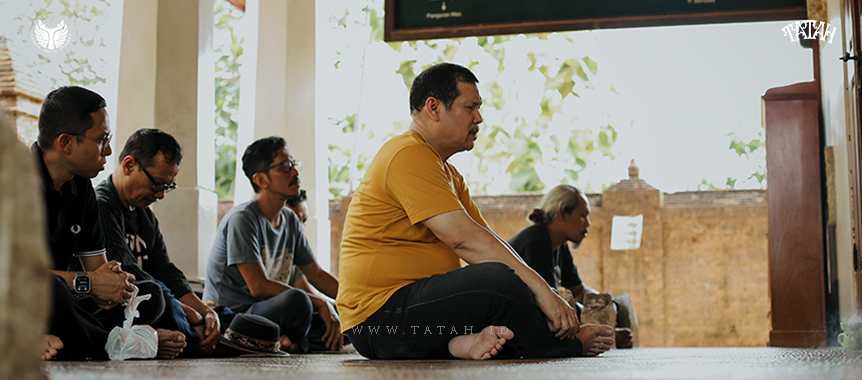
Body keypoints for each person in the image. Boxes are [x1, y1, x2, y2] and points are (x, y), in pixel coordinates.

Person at [336, 62, 614, 360]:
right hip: (377, 325)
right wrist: (543, 292)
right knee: (497, 282)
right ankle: (563, 344)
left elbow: (490, 244)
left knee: (506, 279)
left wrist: (545, 292)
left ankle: (458, 344)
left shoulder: (448, 174)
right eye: (470, 107)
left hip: (414, 321)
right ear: (434, 108)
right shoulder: (406, 154)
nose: (479, 118)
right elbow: (464, 241)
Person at [33, 86, 169, 360]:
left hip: (59, 307)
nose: (108, 150)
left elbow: (98, 271)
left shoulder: (82, 187)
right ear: (66, 143)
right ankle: (114, 343)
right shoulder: (16, 182)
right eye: (102, 139)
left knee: (148, 293)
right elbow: (18, 278)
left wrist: (115, 283)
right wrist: (88, 284)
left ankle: (68, 340)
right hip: (16, 300)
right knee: (51, 287)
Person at [95, 128, 227, 358]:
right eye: (157, 184)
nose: (161, 195)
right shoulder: (101, 205)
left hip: (160, 301)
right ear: (129, 165)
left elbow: (165, 269)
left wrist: (203, 310)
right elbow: (127, 269)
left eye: (167, 187)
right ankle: (199, 340)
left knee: (225, 317)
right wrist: (187, 312)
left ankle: (199, 337)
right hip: (124, 303)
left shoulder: (145, 215)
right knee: (155, 295)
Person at [204, 137, 343, 352]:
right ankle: (293, 343)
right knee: (298, 301)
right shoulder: (242, 219)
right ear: (261, 180)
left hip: (269, 314)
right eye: (285, 167)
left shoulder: (290, 220)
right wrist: (320, 303)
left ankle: (290, 343)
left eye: (293, 165)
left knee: (346, 318)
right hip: (234, 318)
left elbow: (316, 274)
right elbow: (259, 286)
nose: (295, 173)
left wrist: (355, 302)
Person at [507, 184, 633, 348]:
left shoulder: (560, 245)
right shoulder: (536, 241)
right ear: (561, 213)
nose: (588, 223)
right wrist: (604, 331)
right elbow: (550, 306)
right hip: (511, 324)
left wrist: (607, 304)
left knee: (619, 305)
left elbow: (579, 291)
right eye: (583, 216)